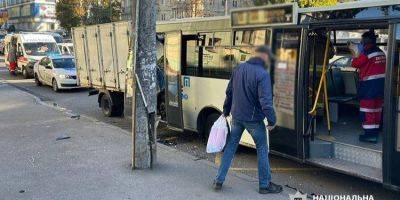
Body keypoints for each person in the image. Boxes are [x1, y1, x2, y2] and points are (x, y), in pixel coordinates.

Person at [213, 45, 282, 194]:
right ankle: (264, 185)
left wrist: (226, 110)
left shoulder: (238, 69)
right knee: (262, 149)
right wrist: (272, 121)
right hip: (254, 121)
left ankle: (218, 180)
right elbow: (266, 102)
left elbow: (229, 92)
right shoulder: (262, 74)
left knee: (230, 148)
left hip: (236, 117)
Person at [351, 30, 386, 143]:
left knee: (367, 111)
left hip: (368, 88)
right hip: (380, 88)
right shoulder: (381, 52)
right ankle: (375, 131)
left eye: (361, 41)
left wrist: (356, 52)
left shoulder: (366, 53)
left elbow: (354, 64)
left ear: (365, 41)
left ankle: (370, 135)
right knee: (377, 110)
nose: (361, 43)